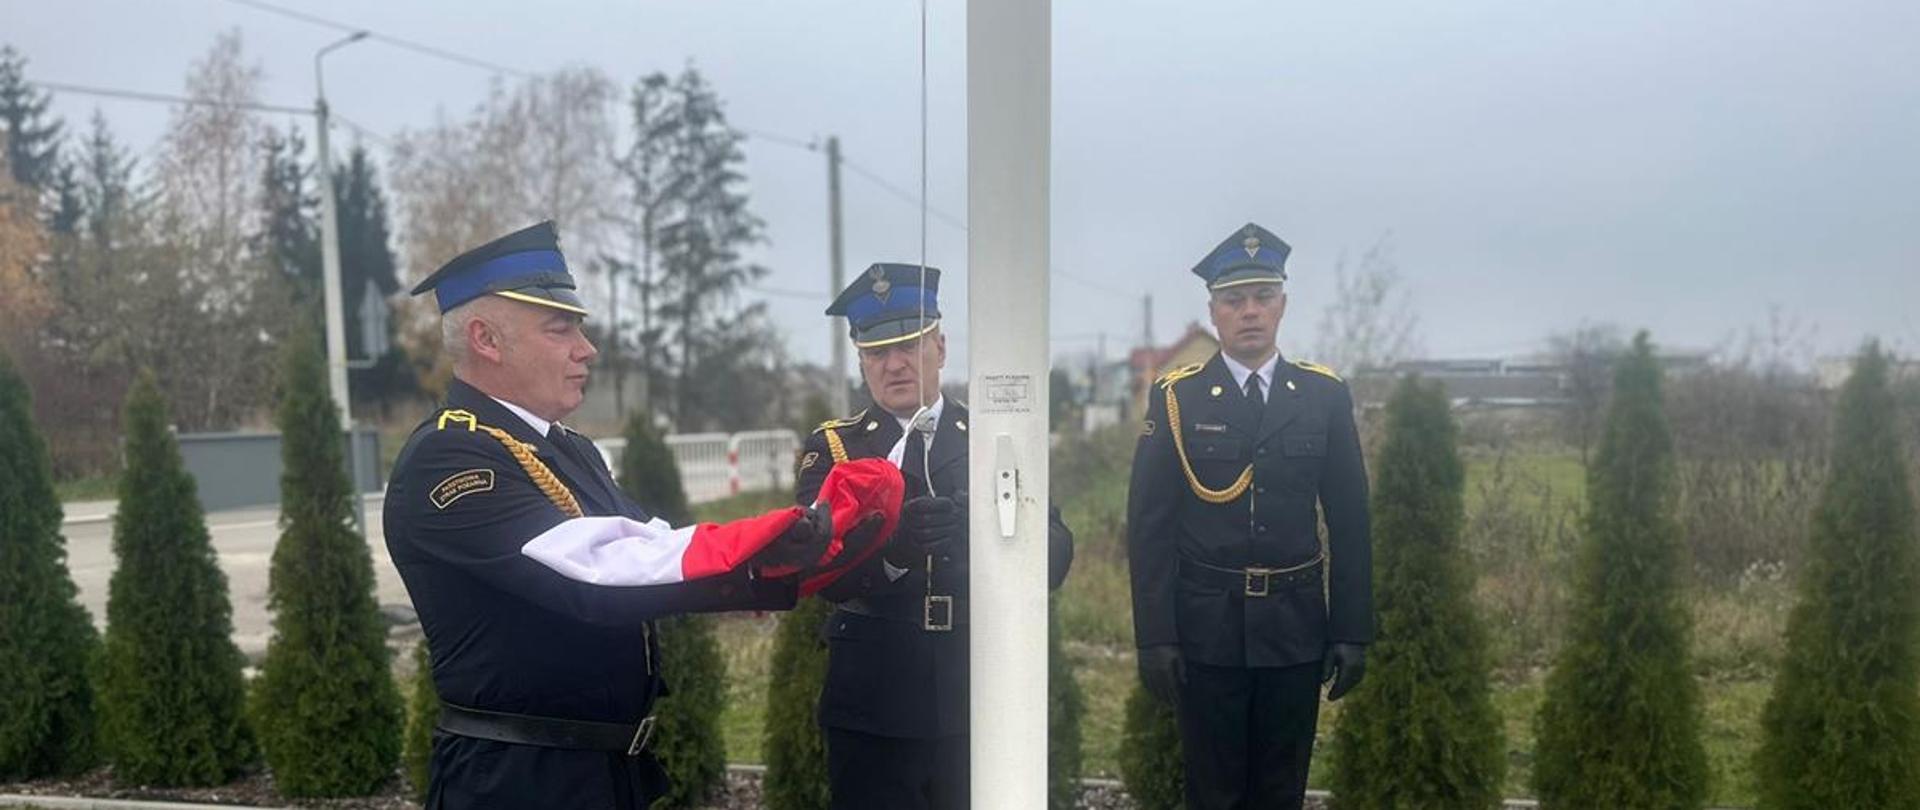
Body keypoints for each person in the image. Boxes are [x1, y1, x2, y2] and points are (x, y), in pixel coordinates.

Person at [385, 221, 895, 809]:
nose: (587, 349)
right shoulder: (449, 456)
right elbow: (596, 572)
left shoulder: (566, 448)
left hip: (602, 770)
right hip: (516, 778)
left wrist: (790, 563)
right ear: (486, 339)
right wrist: (763, 543)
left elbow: (653, 543)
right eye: (561, 329)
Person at [795, 263, 1075, 810]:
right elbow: (812, 570)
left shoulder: (996, 438)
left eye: (911, 346)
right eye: (877, 352)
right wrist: (892, 554)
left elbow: (1057, 557)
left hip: (978, 684)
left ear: (941, 348)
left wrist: (983, 535)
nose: (895, 364)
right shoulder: (835, 449)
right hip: (874, 692)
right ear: (860, 360)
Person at [1126, 223, 1373, 810]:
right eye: (1235, 300)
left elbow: (1350, 519)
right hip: (1207, 631)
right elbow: (1148, 527)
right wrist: (1155, 636)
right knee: (1213, 794)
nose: (1250, 312)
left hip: (1295, 629)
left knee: (1280, 791)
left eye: (1263, 297)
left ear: (1283, 305)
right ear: (1213, 312)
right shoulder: (1177, 398)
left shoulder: (1323, 396)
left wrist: (1351, 630)